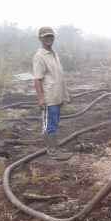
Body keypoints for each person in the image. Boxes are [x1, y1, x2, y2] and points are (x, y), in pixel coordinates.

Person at [32, 26, 72, 161]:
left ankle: (55, 148)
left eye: (51, 36)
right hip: (49, 97)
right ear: (40, 38)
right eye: (45, 37)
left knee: (54, 122)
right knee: (50, 124)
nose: (49, 39)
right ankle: (53, 151)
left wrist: (65, 95)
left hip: (57, 96)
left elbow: (58, 76)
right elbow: (37, 79)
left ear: (53, 37)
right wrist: (41, 99)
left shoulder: (54, 54)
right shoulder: (39, 56)